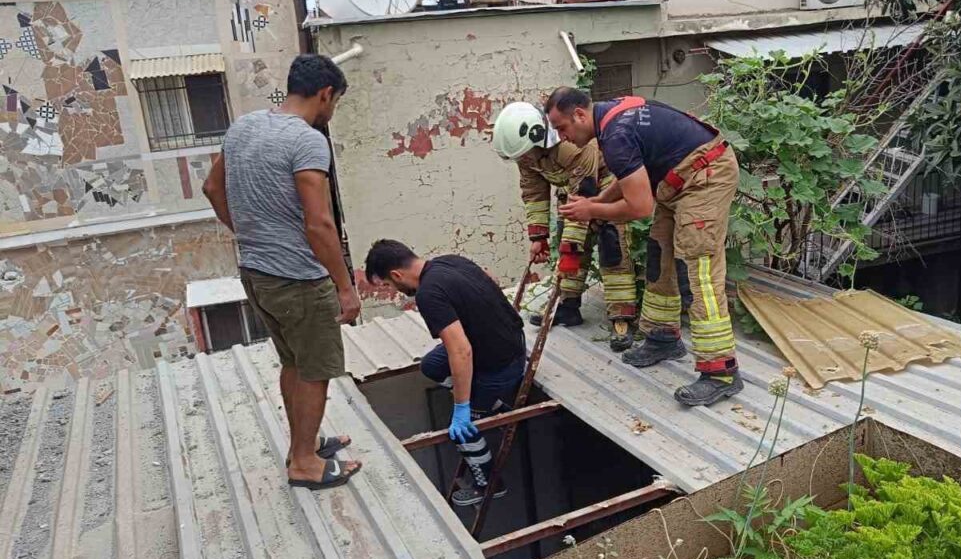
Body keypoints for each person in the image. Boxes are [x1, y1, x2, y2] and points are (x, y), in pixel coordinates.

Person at [203, 54, 361, 490]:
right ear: (326, 94)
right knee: (315, 368)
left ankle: (302, 446)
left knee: (293, 361)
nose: (332, 112)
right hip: (299, 279)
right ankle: (305, 465)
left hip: (256, 272)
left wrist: (248, 233)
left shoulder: (243, 127)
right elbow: (319, 223)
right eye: (336, 102)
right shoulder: (309, 141)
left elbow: (212, 188)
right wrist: (346, 288)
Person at [546, 87, 743, 406]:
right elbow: (628, 181)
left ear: (580, 115)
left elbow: (639, 208)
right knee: (659, 254)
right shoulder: (611, 118)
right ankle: (663, 338)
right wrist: (596, 200)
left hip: (706, 177)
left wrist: (591, 211)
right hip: (676, 182)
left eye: (562, 127)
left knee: (698, 270)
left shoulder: (615, 136)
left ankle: (720, 373)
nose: (562, 137)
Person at [363, 240, 527, 508]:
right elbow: (490, 279)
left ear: (396, 275)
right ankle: (492, 404)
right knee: (432, 365)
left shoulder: (429, 293)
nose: (394, 290)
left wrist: (462, 406)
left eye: (389, 285)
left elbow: (461, 351)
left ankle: (489, 484)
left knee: (462, 430)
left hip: (501, 365)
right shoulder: (452, 261)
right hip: (508, 341)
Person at [492, 100, 637, 351]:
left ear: (537, 137)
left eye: (524, 155)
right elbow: (534, 191)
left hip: (605, 187)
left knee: (611, 250)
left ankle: (621, 319)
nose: (523, 160)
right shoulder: (526, 153)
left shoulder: (571, 147)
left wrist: (574, 242)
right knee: (568, 249)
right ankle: (569, 308)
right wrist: (539, 236)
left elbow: (585, 191)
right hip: (573, 192)